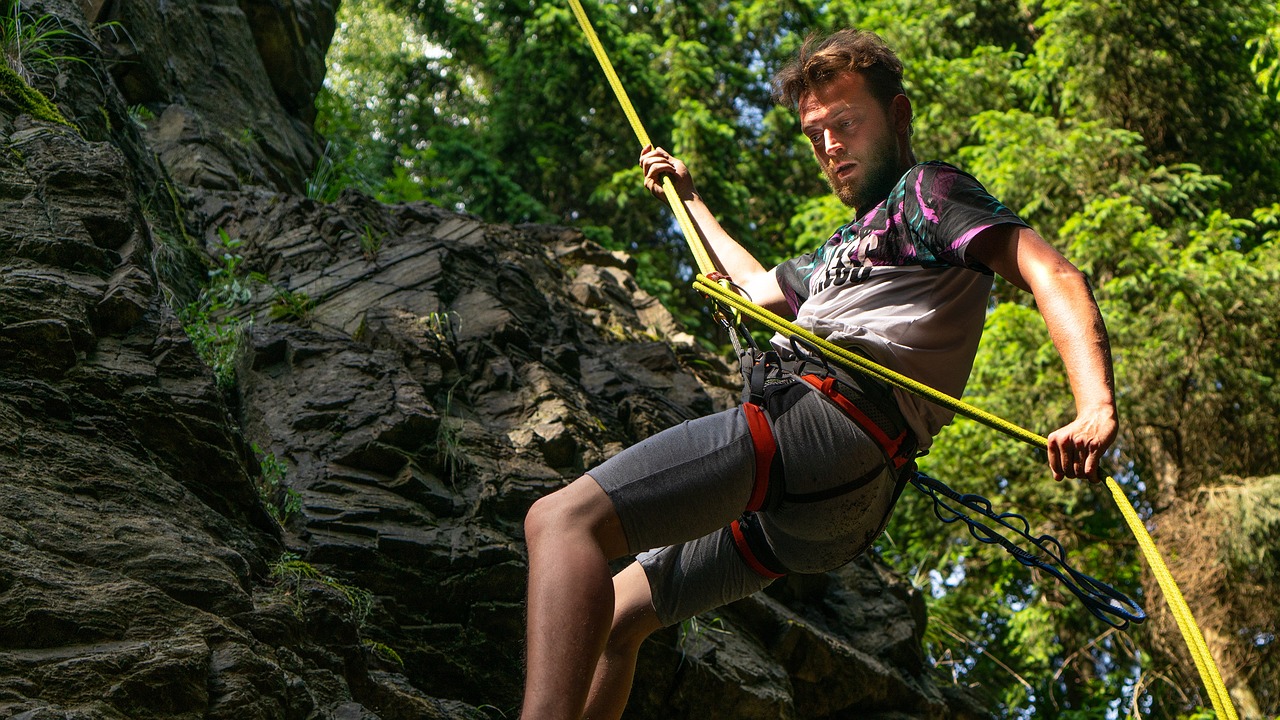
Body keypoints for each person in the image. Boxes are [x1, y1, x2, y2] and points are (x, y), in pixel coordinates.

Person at [521, 28, 1117, 720]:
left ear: (896, 117)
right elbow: (749, 287)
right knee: (617, 616)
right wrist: (687, 199)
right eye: (814, 135)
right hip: (833, 505)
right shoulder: (841, 251)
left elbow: (1049, 270)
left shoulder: (927, 194)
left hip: (824, 425)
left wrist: (1094, 404)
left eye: (845, 122)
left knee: (560, 520)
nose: (830, 146)